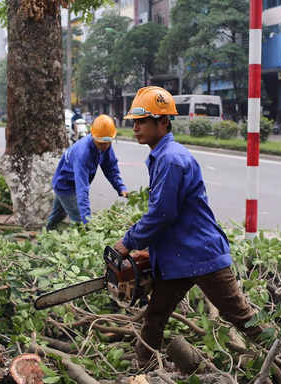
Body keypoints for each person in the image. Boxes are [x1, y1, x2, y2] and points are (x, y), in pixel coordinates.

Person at [113, 86, 264, 370]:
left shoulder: (171, 160)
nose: (136, 128)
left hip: (201, 255)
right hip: (179, 257)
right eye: (133, 122)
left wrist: (128, 242)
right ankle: (142, 368)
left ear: (163, 121)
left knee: (242, 317)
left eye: (142, 121)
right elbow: (171, 216)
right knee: (155, 314)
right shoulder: (162, 155)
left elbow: (161, 214)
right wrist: (153, 253)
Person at [47, 114, 128, 229]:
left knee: (56, 218)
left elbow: (110, 168)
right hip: (66, 185)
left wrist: (121, 187)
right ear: (93, 136)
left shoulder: (104, 143)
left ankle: (46, 238)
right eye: (101, 143)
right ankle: (76, 243)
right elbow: (82, 189)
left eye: (108, 142)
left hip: (67, 183)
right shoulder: (83, 154)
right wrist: (87, 221)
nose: (105, 146)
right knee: (79, 222)